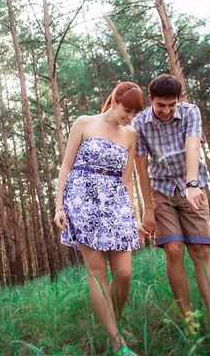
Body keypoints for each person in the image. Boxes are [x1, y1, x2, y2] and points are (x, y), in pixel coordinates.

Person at [132, 74, 210, 346]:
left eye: (172, 105)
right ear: (151, 99)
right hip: (160, 189)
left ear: (179, 101)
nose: (166, 111)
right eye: (161, 105)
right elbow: (140, 168)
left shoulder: (191, 112)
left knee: (200, 251)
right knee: (174, 249)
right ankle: (189, 322)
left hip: (192, 184)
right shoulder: (139, 122)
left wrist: (192, 184)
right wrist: (148, 209)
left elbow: (193, 146)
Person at [54, 82, 149, 356]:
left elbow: (127, 178)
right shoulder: (84, 122)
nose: (129, 116)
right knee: (96, 272)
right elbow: (66, 166)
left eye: (134, 112)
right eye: (126, 109)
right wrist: (59, 207)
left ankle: (111, 325)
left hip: (116, 203)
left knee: (124, 273)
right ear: (114, 100)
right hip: (82, 201)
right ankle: (117, 342)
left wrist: (131, 215)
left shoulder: (130, 134)